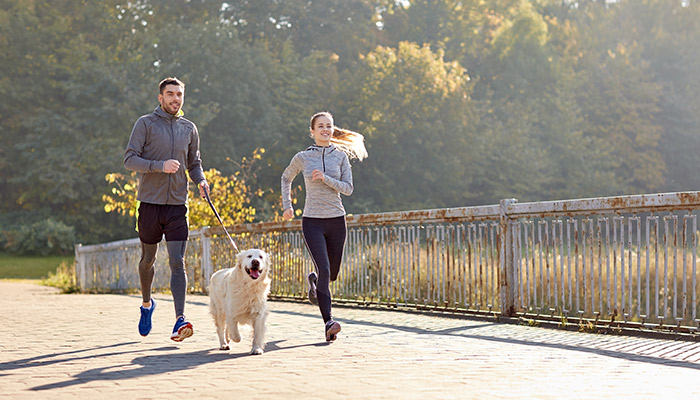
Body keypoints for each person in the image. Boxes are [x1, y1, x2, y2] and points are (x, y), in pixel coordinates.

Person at [124, 77, 209, 342]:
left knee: (177, 261)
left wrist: (201, 180)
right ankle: (147, 304)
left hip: (177, 205)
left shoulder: (189, 128)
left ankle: (180, 319)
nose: (175, 99)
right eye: (170, 94)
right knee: (148, 259)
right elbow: (129, 159)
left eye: (179, 95)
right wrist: (159, 166)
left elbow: (194, 163)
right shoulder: (145, 123)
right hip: (149, 203)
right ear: (160, 98)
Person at [281, 111, 368, 341]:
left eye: (329, 126)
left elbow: (348, 189)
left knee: (332, 274)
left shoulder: (340, 157)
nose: (325, 130)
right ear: (312, 131)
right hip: (312, 221)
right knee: (325, 270)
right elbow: (286, 177)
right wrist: (287, 206)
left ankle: (314, 282)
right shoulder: (302, 157)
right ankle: (329, 322)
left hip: (337, 220)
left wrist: (326, 179)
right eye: (320, 126)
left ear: (332, 129)